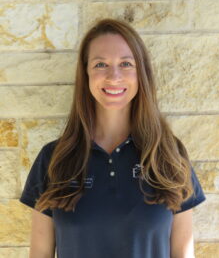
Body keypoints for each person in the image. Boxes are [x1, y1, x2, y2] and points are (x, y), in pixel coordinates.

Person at [19, 18, 206, 258]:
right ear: (85, 73)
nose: (113, 75)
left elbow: (183, 253)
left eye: (126, 63)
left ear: (142, 73)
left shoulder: (169, 154)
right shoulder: (53, 159)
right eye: (100, 65)